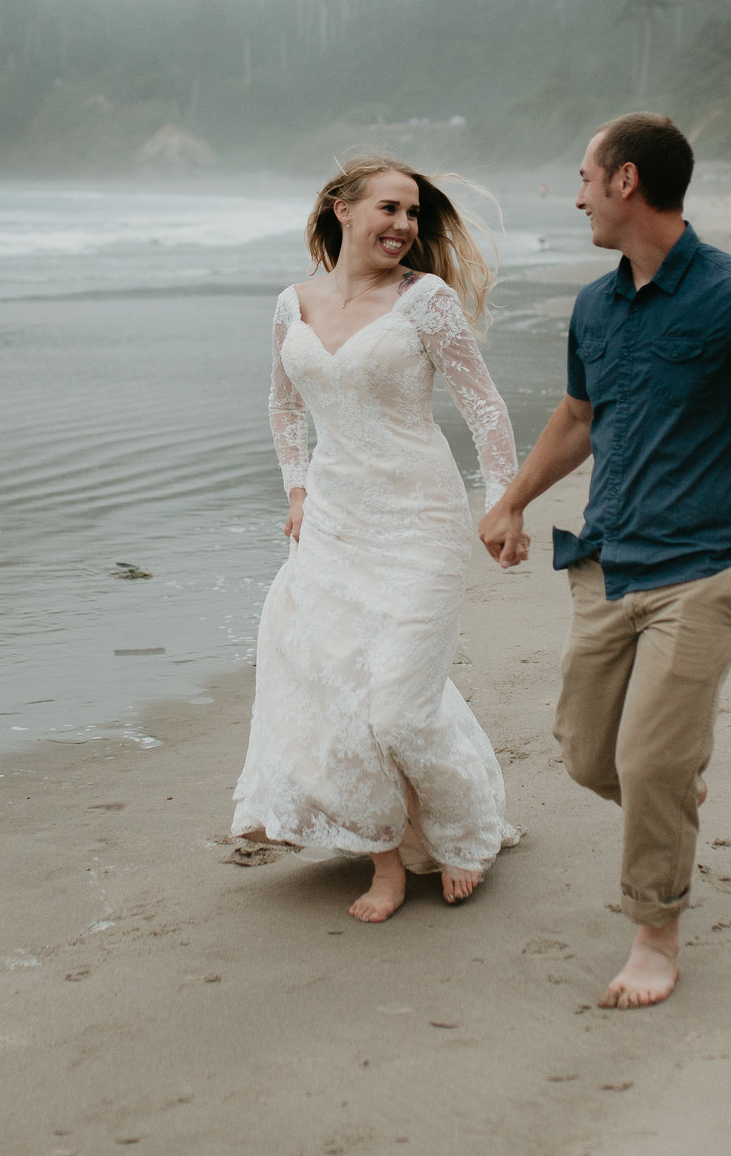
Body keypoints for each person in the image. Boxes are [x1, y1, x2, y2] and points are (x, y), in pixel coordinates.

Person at [479, 113, 731, 1008]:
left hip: (709, 565)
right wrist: (511, 498)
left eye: (584, 177)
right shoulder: (593, 306)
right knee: (585, 753)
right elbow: (578, 419)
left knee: (648, 762)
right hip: (611, 557)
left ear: (626, 181)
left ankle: (655, 933)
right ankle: (670, 774)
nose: (574, 196)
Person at [231, 157, 521, 922]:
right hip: (332, 521)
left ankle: (464, 832)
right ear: (342, 209)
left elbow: (485, 408)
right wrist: (295, 487)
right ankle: (385, 857)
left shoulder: (424, 301)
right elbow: (283, 406)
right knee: (338, 691)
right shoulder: (291, 304)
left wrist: (503, 503)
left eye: (414, 214)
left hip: (420, 519)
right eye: (390, 209)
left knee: (400, 703)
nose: (404, 226)